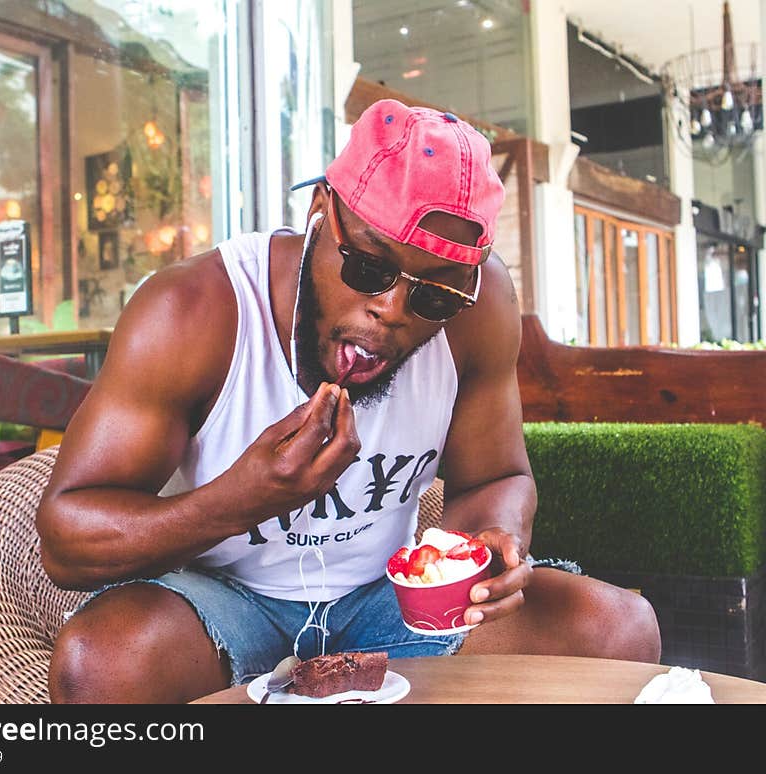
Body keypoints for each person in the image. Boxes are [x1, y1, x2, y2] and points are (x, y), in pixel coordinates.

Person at [37, 99, 661, 704]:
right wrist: (239, 501)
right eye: (368, 267)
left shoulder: (482, 308)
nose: (390, 313)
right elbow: (67, 538)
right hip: (217, 602)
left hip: (388, 602)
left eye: (434, 300)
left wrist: (483, 547)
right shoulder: (196, 311)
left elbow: (496, 475)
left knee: (617, 629)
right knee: (105, 663)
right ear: (319, 210)